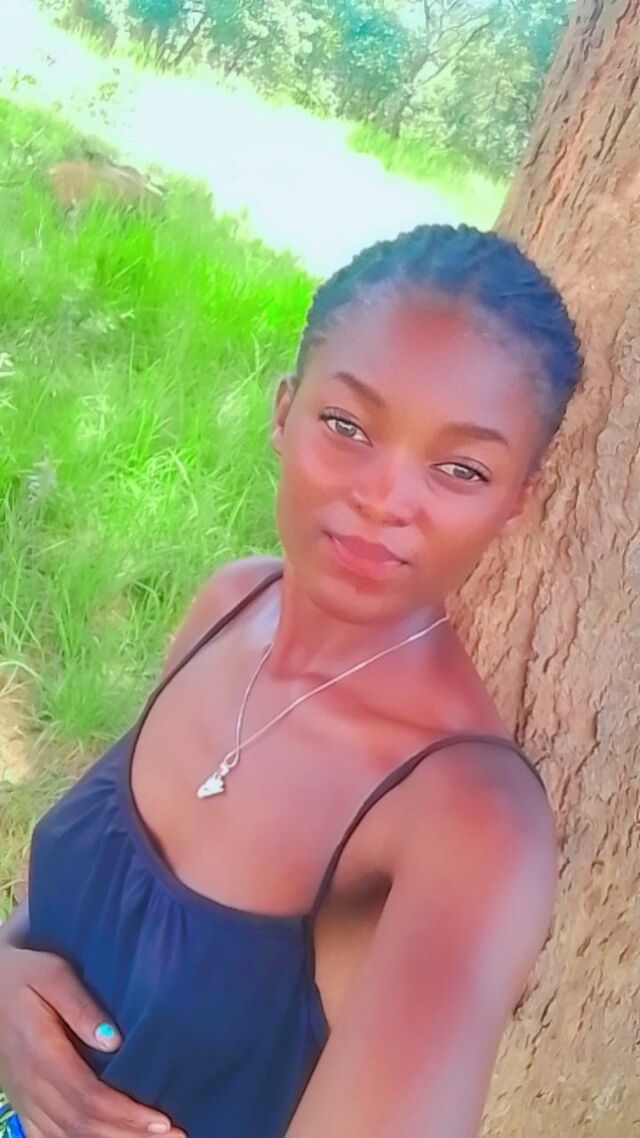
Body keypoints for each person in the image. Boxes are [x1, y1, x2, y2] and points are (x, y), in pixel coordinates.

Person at [0, 224, 582, 1138]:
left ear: (518, 501)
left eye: (460, 468)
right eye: (347, 426)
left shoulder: (470, 823)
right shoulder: (229, 606)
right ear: (283, 410)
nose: (384, 499)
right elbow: (88, 913)